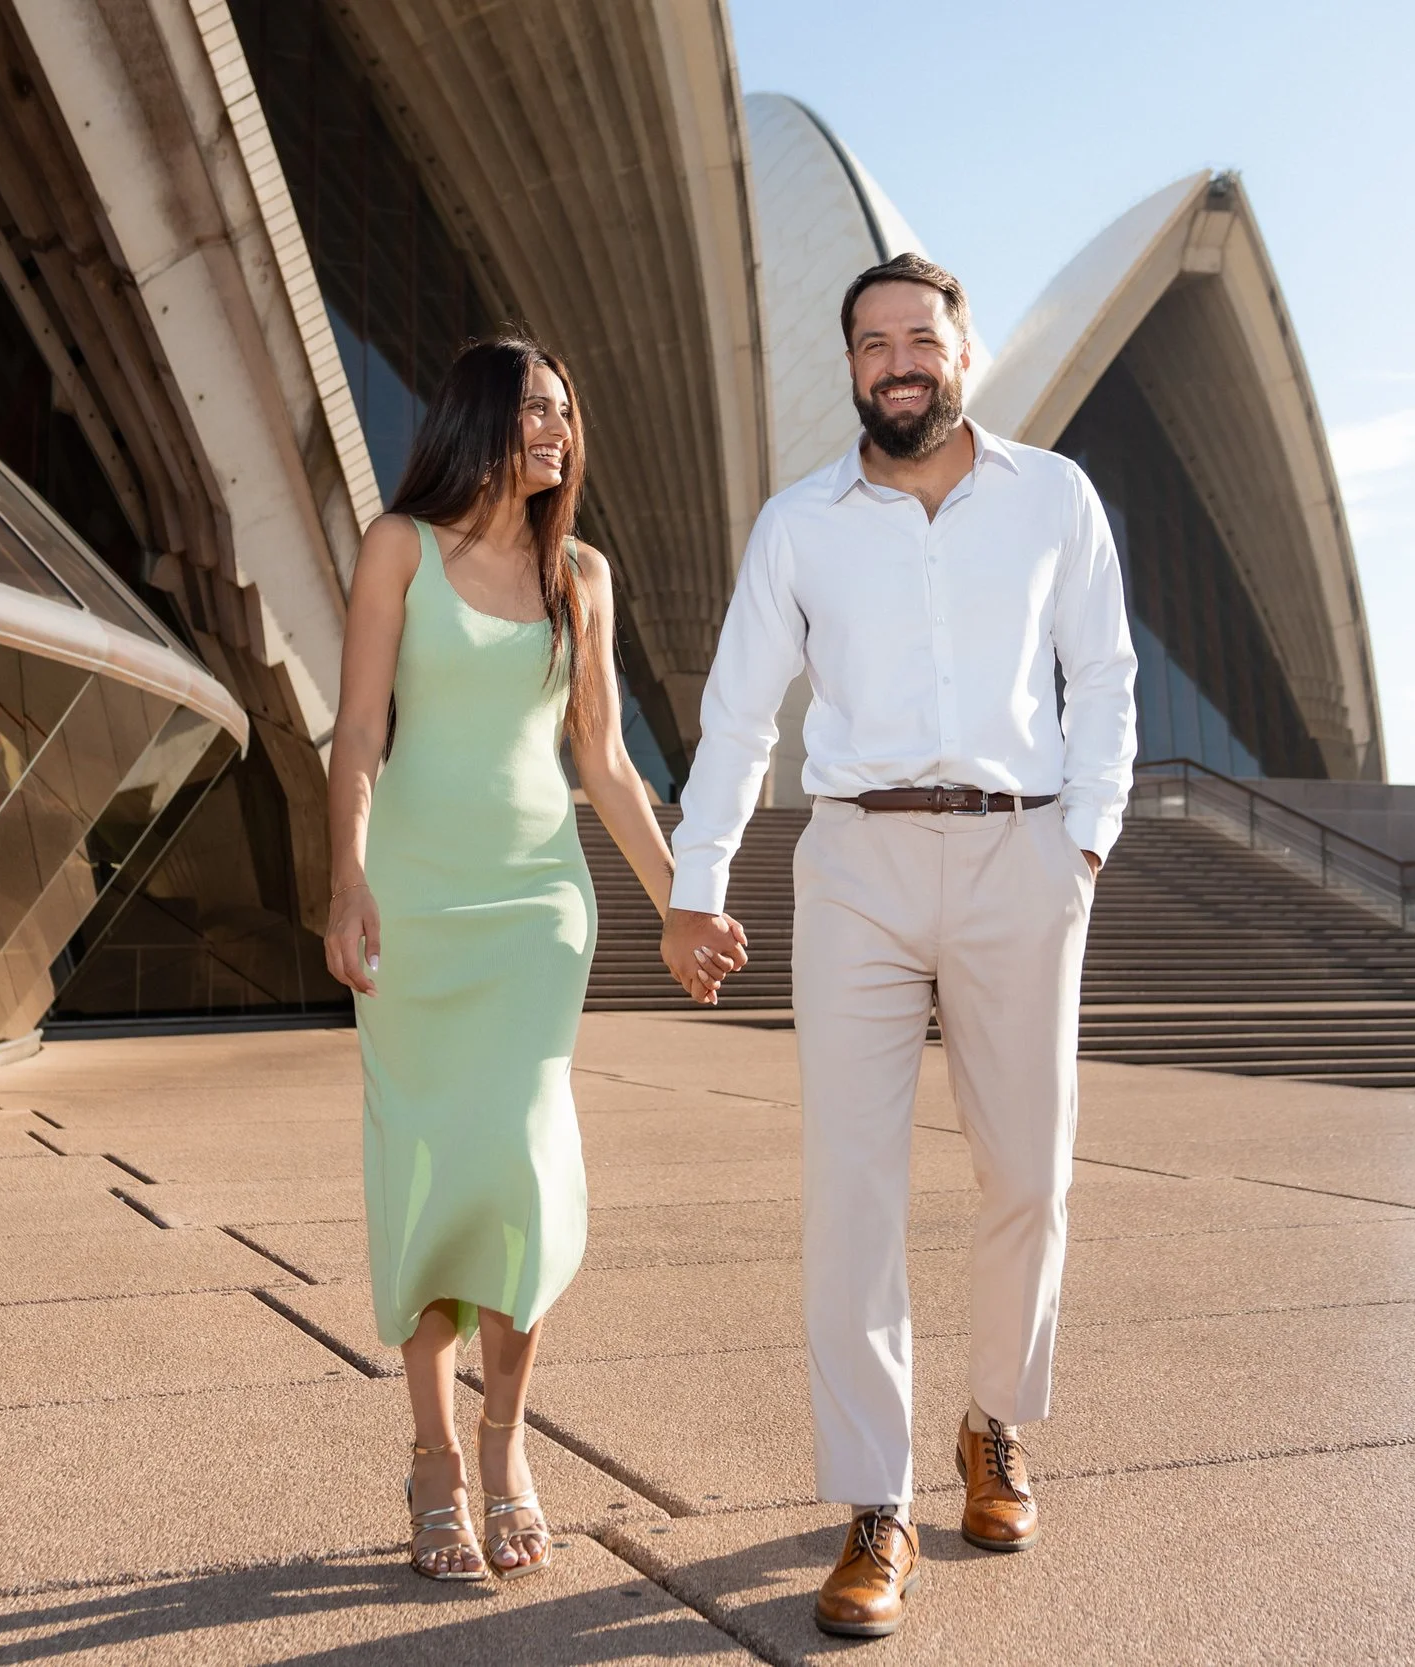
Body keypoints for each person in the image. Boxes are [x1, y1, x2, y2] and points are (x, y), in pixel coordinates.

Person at [661, 253, 1138, 1638]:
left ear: (965, 351)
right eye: (872, 342)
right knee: (852, 1189)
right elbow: (740, 714)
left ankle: (993, 1422)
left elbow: (1104, 676)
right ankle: (874, 1500)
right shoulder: (801, 524)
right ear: (851, 367)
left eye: (919, 336)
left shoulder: (1056, 498)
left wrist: (1086, 842)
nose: (897, 360)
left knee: (1027, 1174)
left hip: (1021, 848)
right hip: (857, 859)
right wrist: (700, 881)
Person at [326, 336, 735, 1584]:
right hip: (413, 899)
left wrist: (682, 900)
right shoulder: (401, 546)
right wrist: (342, 878)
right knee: (427, 1172)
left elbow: (605, 760)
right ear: (478, 422)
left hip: (533, 914)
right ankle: (434, 1455)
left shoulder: (582, 577)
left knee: (521, 1175)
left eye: (565, 410)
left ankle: (506, 1446)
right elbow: (354, 731)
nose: (553, 431)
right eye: (531, 411)